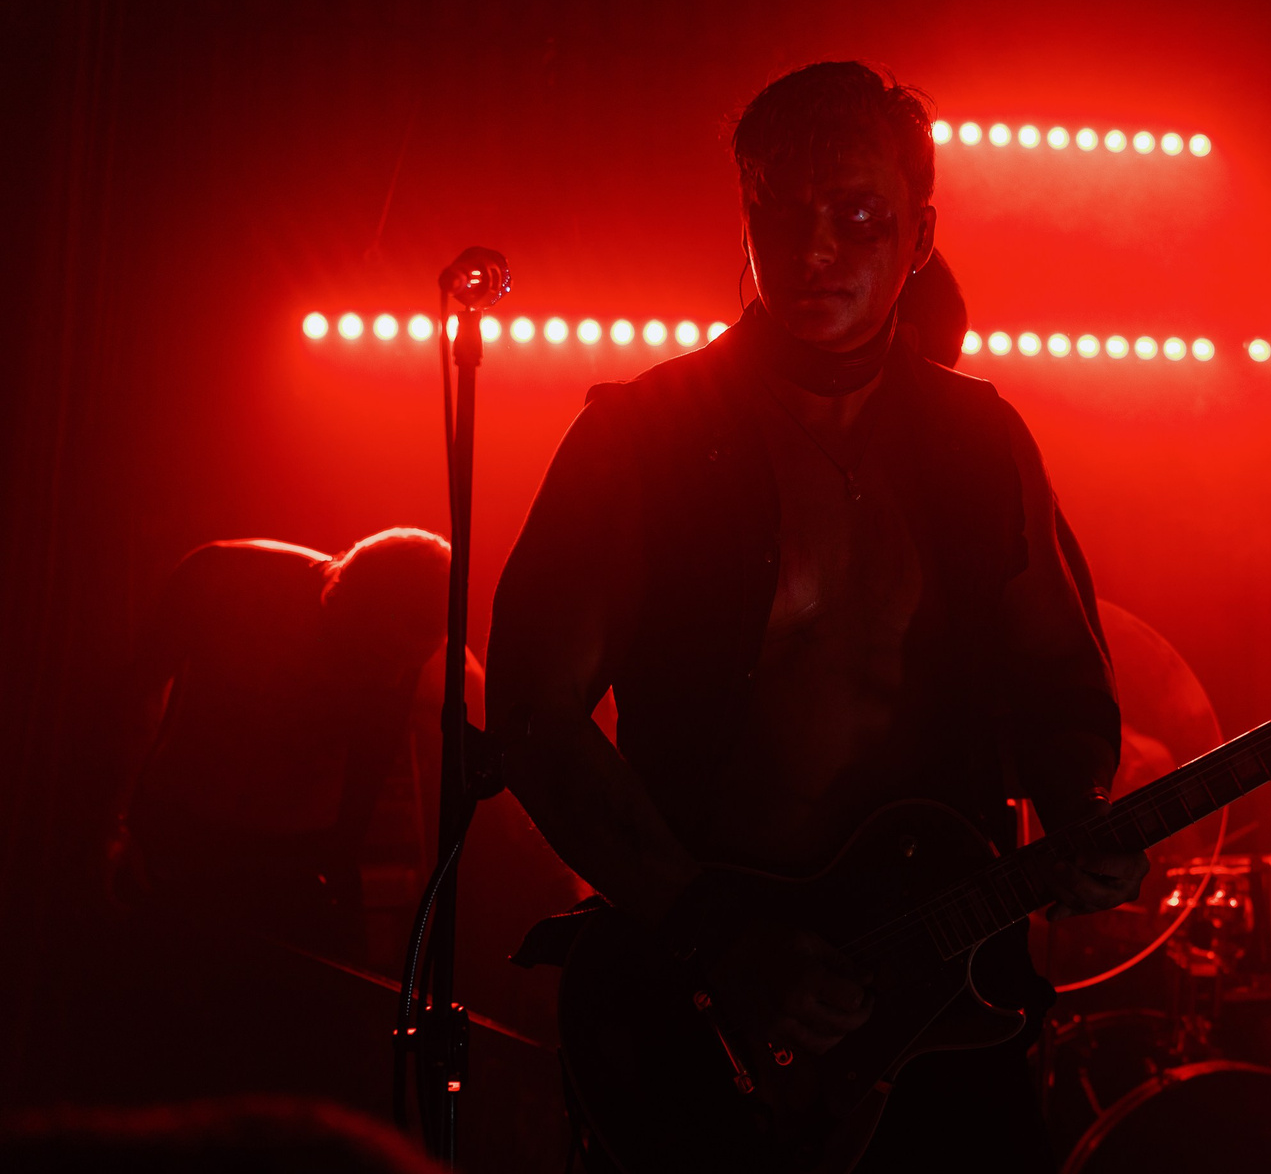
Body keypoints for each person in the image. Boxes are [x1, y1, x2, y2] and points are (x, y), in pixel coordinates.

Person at [488, 61, 1146, 1172]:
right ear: (743, 219)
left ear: (921, 233)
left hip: (942, 995)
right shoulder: (643, 437)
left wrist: (1081, 808)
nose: (815, 249)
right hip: (703, 1016)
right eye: (780, 214)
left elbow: (1058, 675)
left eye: (858, 215)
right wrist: (713, 933)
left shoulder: (981, 439)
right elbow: (531, 713)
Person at [116, 528, 466, 963]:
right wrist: (111, 820)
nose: (393, 678)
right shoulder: (224, 579)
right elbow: (136, 695)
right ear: (337, 599)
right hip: (174, 835)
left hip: (293, 860)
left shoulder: (424, 646)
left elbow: (486, 762)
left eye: (406, 665)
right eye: (379, 656)